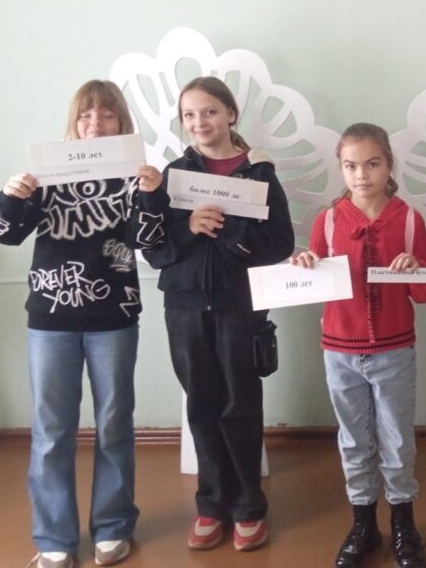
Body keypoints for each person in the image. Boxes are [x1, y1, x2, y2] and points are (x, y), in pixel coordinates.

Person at [0, 80, 166, 568]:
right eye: (86, 115)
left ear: (121, 122)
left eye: (106, 115)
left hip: (114, 317)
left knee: (114, 423)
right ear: (74, 122)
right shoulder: (48, 172)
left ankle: (113, 526)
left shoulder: (135, 176)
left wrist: (152, 195)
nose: (95, 124)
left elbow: (150, 241)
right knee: (51, 430)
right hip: (50, 319)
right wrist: (10, 195)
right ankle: (54, 538)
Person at [139, 76, 294, 553]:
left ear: (230, 114)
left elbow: (279, 244)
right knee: (201, 404)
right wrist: (188, 226)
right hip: (184, 305)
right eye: (189, 115)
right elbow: (154, 251)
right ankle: (210, 505)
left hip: (239, 305)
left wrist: (227, 232)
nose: (199, 122)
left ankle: (248, 507)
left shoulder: (259, 173)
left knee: (240, 404)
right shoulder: (173, 175)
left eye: (209, 111)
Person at [292, 122, 426, 568]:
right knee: (354, 441)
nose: (361, 174)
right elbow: (313, 282)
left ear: (388, 164)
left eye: (372, 164)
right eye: (350, 166)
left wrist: (415, 268)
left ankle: (403, 524)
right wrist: (305, 263)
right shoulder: (329, 220)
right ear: (341, 168)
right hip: (339, 352)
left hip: (394, 352)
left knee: (397, 440)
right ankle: (363, 524)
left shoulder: (409, 220)